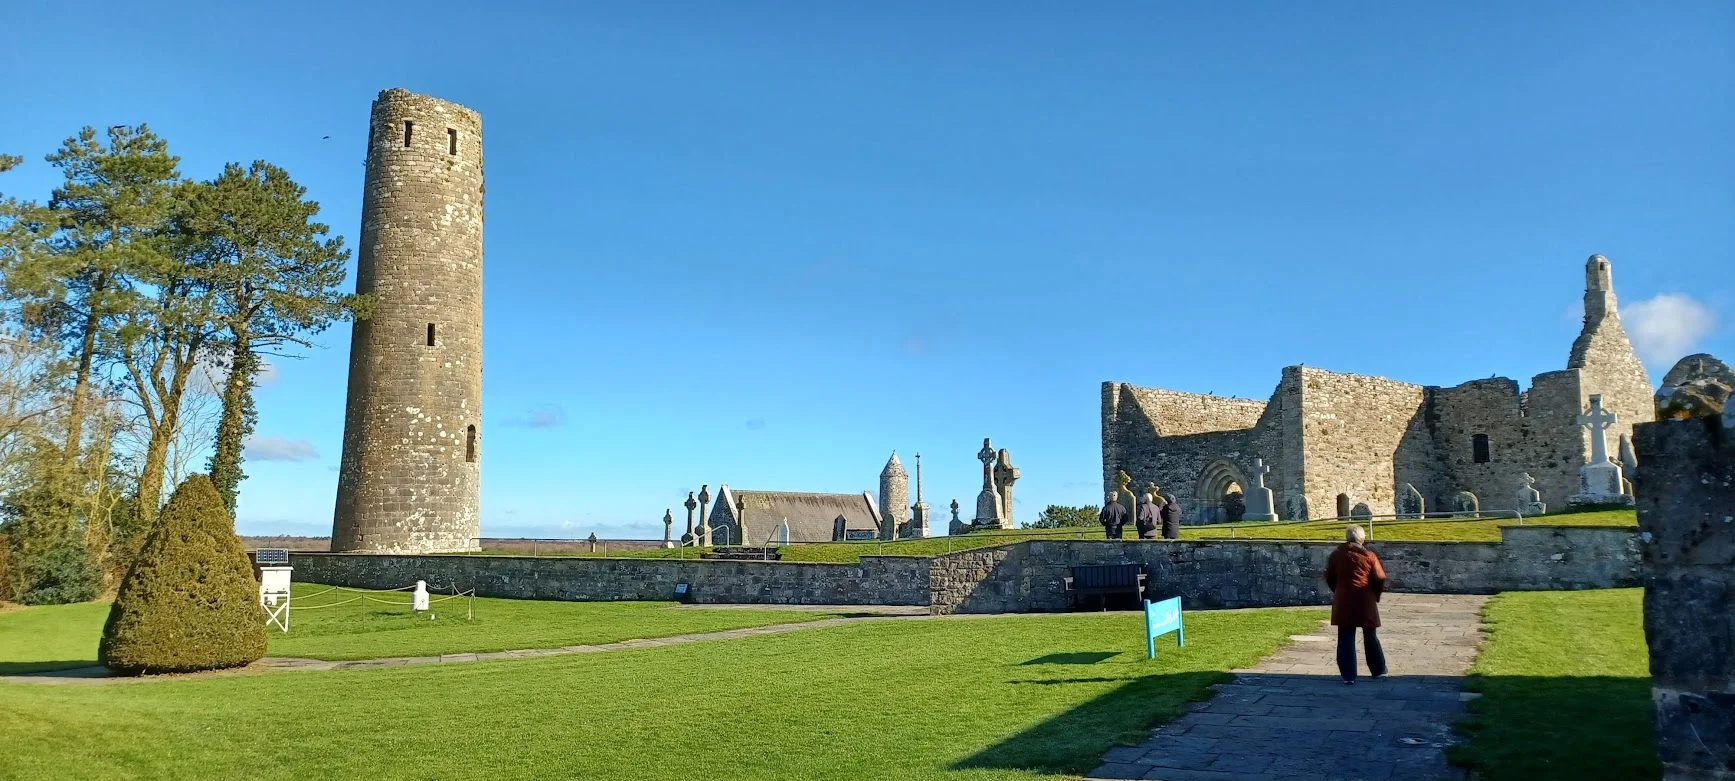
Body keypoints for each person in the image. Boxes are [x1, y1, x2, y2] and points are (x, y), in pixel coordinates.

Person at [1325, 525, 1388, 684]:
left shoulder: (1336, 555)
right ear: (1362, 539)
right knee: (1370, 635)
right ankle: (1378, 669)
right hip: (1365, 599)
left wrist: (1339, 591)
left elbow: (1329, 577)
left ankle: (1348, 675)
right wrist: (1375, 594)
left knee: (1345, 637)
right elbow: (1379, 578)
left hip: (1344, 599)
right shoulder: (1369, 556)